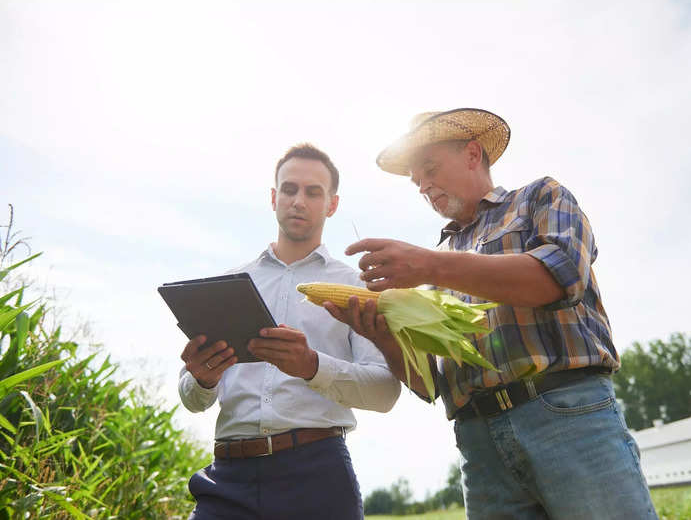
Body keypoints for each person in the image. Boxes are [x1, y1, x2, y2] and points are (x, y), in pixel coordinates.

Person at [324, 109, 658, 519]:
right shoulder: (436, 259)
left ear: (472, 153)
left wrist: (429, 267)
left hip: (566, 415)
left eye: (430, 169)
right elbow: (432, 382)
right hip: (478, 442)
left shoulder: (539, 197)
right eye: (417, 183)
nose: (425, 186)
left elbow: (559, 277)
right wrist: (382, 336)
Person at [178, 143, 401, 520]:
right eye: (289, 189)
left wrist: (311, 366)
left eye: (313, 192)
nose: (299, 200)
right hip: (227, 478)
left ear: (332, 204)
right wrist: (200, 378)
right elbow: (193, 399)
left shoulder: (358, 289)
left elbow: (385, 392)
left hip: (317, 475)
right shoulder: (229, 284)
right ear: (273, 197)